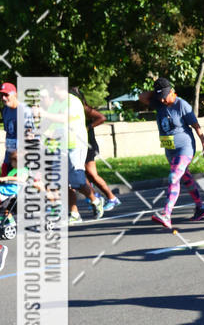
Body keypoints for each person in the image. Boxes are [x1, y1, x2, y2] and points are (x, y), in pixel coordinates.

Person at [143, 78, 204, 230]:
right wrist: (157, 91)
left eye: (165, 95)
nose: (163, 99)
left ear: (172, 92)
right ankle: (201, 207)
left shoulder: (181, 105)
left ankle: (166, 214)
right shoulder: (159, 103)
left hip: (185, 148)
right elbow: (142, 97)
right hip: (170, 150)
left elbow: (196, 126)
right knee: (185, 178)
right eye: (160, 96)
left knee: (174, 177)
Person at [41, 82, 105, 223]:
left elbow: (63, 118)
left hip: (76, 145)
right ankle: (74, 213)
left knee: (76, 181)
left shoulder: (72, 101)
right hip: (61, 145)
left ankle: (95, 200)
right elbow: (50, 123)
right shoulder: (57, 103)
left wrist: (43, 113)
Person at [69, 88, 121, 211]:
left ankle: (111, 197)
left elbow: (101, 117)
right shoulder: (68, 110)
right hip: (76, 146)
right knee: (81, 175)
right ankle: (95, 197)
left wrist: (87, 127)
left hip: (88, 144)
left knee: (92, 174)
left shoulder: (84, 109)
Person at [0, 82, 34, 176]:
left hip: (21, 158)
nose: (3, 98)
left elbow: (29, 135)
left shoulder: (24, 110)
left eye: (6, 95)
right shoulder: (5, 110)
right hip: (9, 157)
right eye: (2, 95)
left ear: (15, 94)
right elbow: (9, 133)